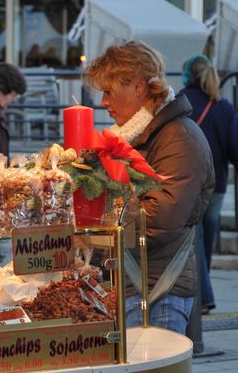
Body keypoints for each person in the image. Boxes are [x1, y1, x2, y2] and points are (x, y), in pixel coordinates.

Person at [85, 41, 214, 335]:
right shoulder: (134, 136)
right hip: (134, 283)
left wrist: (97, 219)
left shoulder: (177, 137)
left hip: (157, 290)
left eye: (109, 91)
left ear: (139, 87)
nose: (104, 102)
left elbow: (161, 218)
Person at [179, 54, 238, 315]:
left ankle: (202, 297)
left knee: (194, 239)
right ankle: (204, 294)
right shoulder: (223, 106)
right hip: (218, 185)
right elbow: (234, 148)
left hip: (189, 181)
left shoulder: (181, 101)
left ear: (188, 75)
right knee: (205, 241)